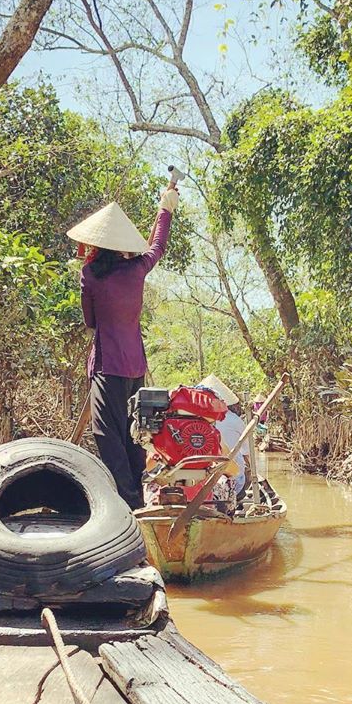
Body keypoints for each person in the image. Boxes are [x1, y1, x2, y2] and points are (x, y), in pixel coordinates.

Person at [71, 187, 179, 508]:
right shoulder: (137, 269)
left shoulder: (90, 275)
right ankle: (140, 494)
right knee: (134, 433)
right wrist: (166, 207)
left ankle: (129, 499)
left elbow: (90, 321)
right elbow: (157, 245)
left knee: (106, 433)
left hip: (107, 365)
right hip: (135, 366)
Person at [196, 374, 249, 498]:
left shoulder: (181, 425)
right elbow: (245, 454)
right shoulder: (234, 421)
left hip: (197, 485)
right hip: (220, 483)